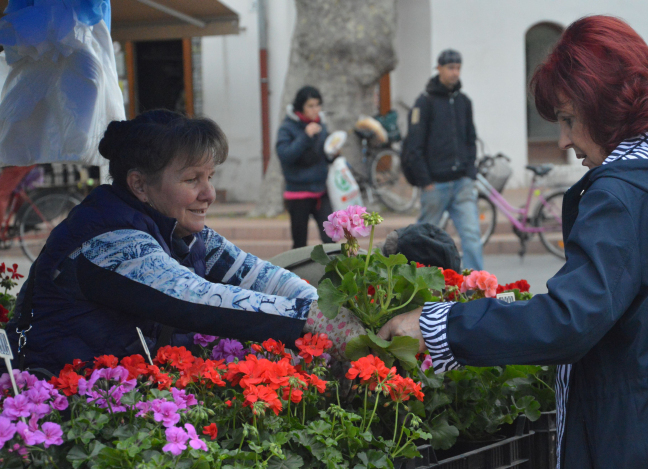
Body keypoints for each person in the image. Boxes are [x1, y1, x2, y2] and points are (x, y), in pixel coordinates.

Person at [378, 16, 648, 469]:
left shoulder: (625, 192)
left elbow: (569, 321)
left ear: (609, 105)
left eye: (570, 119)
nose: (564, 141)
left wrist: (441, 327)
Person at [6, 110, 360, 374]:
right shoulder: (108, 238)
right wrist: (313, 320)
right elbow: (191, 297)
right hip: (59, 403)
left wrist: (332, 311)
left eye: (210, 176)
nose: (209, 193)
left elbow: (257, 275)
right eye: (192, 179)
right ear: (139, 185)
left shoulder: (178, 227)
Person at [404, 49, 483, 270]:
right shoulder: (424, 102)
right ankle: (417, 284)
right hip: (435, 186)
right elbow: (414, 145)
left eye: (458, 68)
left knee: (472, 238)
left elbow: (470, 138)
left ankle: (477, 289)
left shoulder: (464, 102)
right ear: (438, 68)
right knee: (423, 241)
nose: (455, 72)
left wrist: (469, 173)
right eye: (450, 67)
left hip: (462, 184)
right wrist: (425, 181)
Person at [277, 86, 334, 249]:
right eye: (310, 105)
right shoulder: (288, 127)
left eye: (318, 105)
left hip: (321, 192)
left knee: (331, 239)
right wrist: (305, 136)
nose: (315, 109)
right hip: (297, 193)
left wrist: (334, 152)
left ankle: (333, 273)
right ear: (300, 106)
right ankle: (297, 275)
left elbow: (324, 155)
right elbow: (285, 155)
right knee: (300, 243)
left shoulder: (321, 125)